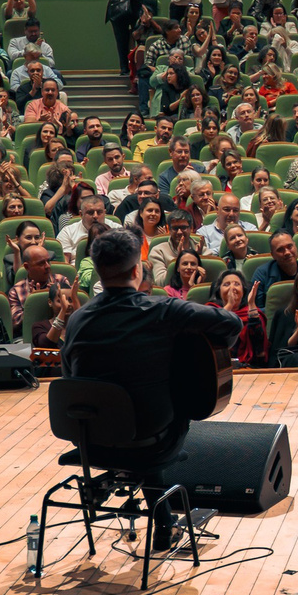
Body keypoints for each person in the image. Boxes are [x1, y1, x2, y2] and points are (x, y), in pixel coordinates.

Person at [60, 228, 243, 549]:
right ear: (137, 271)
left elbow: (70, 379)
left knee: (135, 407)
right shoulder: (164, 310)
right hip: (152, 442)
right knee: (159, 408)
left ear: (98, 271)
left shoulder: (77, 319)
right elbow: (231, 323)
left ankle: (164, 524)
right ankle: (164, 524)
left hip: (91, 442)